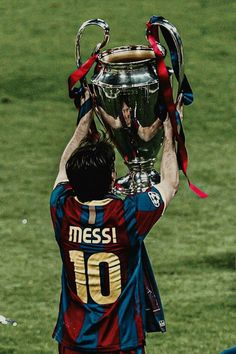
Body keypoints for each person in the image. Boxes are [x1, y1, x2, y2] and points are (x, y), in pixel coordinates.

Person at [50, 88, 179, 354]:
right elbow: (170, 184)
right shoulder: (129, 214)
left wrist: (83, 123)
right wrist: (169, 130)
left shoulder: (62, 208)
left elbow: (63, 169)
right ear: (112, 177)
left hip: (73, 343)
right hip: (122, 343)